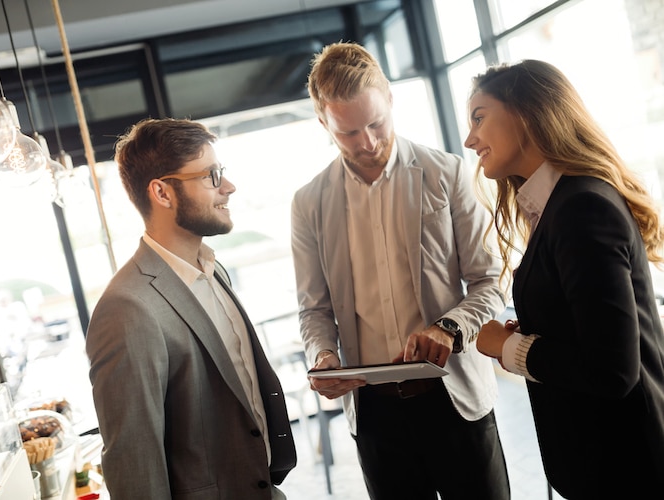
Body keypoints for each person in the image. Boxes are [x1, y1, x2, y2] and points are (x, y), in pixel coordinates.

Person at [291, 41, 510, 500]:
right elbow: (314, 310)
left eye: (375, 123)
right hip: (375, 417)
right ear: (323, 123)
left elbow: (490, 280)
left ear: (390, 99)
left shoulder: (447, 173)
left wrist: (450, 327)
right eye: (348, 133)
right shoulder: (309, 203)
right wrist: (323, 358)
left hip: (456, 399)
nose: (367, 142)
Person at [466, 59, 664, 499]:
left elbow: (613, 371)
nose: (470, 139)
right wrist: (538, 335)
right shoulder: (559, 206)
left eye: (479, 118)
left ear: (526, 111)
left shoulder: (580, 208)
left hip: (628, 468)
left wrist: (505, 345)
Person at [86, 118, 297, 499]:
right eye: (211, 175)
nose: (228, 187)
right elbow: (135, 465)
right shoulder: (127, 309)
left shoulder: (215, 270)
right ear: (162, 193)